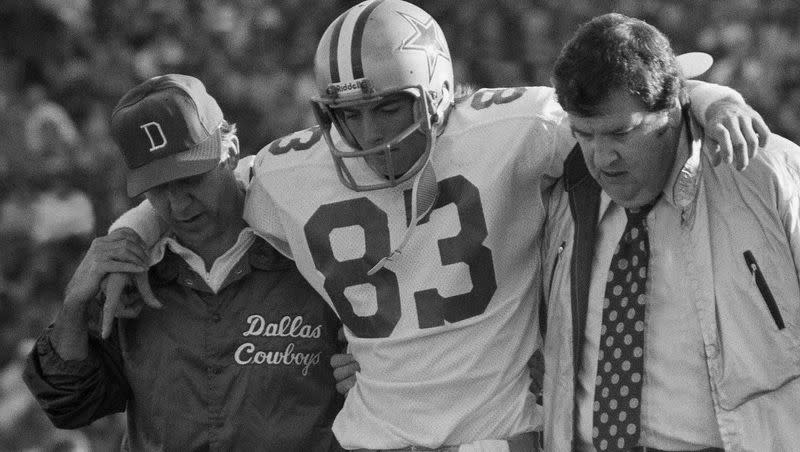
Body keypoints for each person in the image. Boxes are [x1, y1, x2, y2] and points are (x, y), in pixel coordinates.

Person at [110, 2, 767, 450]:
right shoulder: (292, 170)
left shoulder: (512, 129)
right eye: (348, 114)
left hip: (496, 438)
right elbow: (209, 188)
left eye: (389, 109)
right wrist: (131, 233)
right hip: (368, 438)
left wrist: (708, 100)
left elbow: (625, 104)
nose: (367, 136)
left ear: (437, 93)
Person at [22, 74, 344, 451]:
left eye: (191, 178)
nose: (178, 204)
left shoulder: (310, 247)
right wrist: (75, 302)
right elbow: (69, 406)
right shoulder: (128, 278)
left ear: (232, 151)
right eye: (157, 188)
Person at [541, 13, 800, 452]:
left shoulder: (768, 176)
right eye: (584, 135)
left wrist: (715, 100)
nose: (602, 158)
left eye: (622, 133)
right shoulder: (561, 184)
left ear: (674, 108)